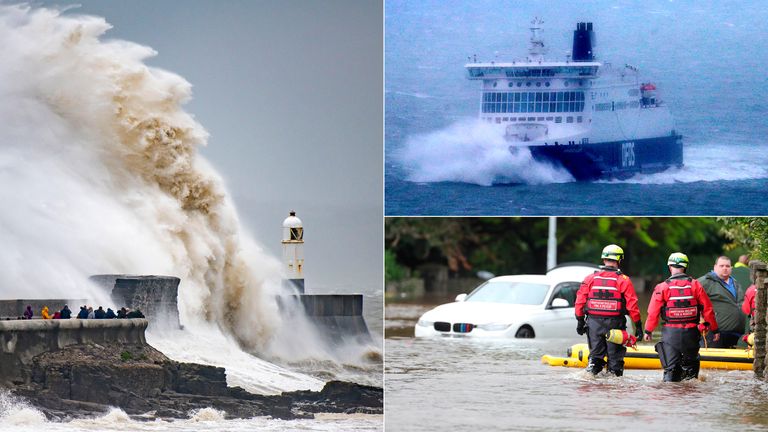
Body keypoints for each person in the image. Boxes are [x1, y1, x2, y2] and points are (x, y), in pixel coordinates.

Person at [645, 253, 719, 381]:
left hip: (671, 335)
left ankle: (671, 398)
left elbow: (653, 313)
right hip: (691, 334)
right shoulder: (695, 285)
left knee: (671, 371)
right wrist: (715, 329)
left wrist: (648, 331)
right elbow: (708, 310)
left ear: (669, 267)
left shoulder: (662, 287)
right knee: (691, 372)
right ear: (685, 267)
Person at [575, 244, 643, 377]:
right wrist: (638, 326)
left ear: (603, 259)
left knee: (595, 360)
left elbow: (579, 302)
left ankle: (590, 377)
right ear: (619, 260)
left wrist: (579, 321)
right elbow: (632, 306)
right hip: (615, 326)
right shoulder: (624, 280)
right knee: (615, 364)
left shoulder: (590, 278)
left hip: (593, 325)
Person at [698, 256, 745, 348]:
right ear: (715, 267)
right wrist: (700, 319)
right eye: (721, 266)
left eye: (727, 266)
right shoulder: (705, 281)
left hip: (735, 333)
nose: (725, 268)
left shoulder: (735, 282)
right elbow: (692, 299)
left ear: (731, 268)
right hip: (715, 333)